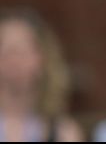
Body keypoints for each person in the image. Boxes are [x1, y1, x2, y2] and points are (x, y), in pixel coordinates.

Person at [0, 8, 83, 142]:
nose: (14, 59)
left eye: (23, 50)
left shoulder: (64, 132)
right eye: (5, 49)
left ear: (43, 58)